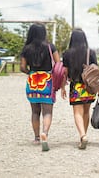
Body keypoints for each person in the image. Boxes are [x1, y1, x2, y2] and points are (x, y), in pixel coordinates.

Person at [20, 23, 62, 152]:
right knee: (47, 111)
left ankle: (37, 137)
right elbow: (58, 64)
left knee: (35, 111)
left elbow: (22, 67)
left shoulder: (26, 49)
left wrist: (30, 73)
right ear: (43, 33)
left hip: (33, 81)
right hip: (47, 80)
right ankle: (45, 133)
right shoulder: (50, 47)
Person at [61, 28, 99, 149]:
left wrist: (62, 87)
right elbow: (96, 72)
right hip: (89, 87)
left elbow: (64, 72)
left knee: (77, 113)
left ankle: (82, 136)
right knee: (86, 112)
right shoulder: (90, 52)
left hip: (76, 87)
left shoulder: (67, 54)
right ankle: (83, 135)